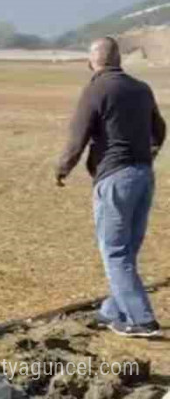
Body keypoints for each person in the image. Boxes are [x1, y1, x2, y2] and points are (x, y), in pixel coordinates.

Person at [56, 36, 165, 338]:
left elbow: (78, 136)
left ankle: (141, 320)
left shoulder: (96, 89)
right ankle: (111, 310)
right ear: (119, 60)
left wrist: (63, 168)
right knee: (127, 249)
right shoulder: (141, 89)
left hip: (115, 178)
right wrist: (149, 153)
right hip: (144, 176)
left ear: (93, 62)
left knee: (115, 252)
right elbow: (160, 129)